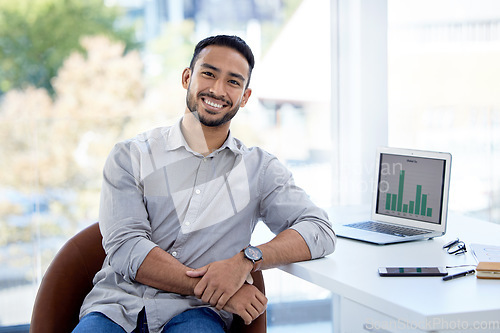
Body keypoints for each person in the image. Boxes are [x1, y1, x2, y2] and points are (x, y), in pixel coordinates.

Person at [73, 35, 336, 333]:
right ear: (187, 77)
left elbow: (320, 230)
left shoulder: (259, 170)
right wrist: (224, 290)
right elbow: (127, 248)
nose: (218, 90)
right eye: (208, 74)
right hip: (117, 308)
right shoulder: (131, 156)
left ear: (245, 97)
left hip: (196, 316)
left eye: (233, 82)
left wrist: (248, 260)